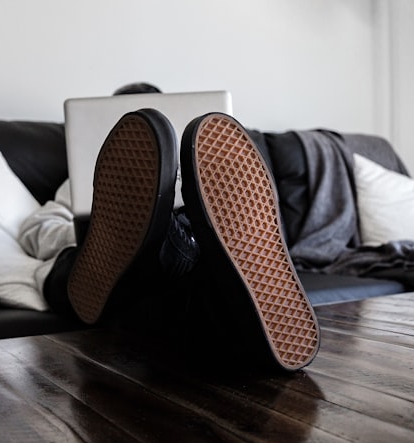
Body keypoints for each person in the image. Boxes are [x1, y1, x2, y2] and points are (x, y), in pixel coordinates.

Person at [38, 107, 321, 372]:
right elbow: (39, 230)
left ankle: (169, 244)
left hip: (172, 256)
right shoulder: (75, 180)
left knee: (177, 281)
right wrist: (96, 231)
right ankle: (175, 250)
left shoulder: (193, 166)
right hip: (102, 252)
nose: (136, 148)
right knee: (193, 285)